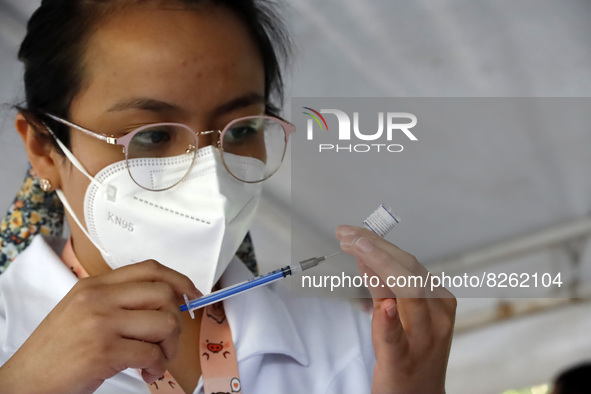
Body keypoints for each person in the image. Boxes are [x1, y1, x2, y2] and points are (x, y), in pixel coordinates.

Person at [0, 0, 456, 393]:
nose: (210, 178)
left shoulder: (361, 351)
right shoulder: (12, 351)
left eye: (242, 130)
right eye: (153, 136)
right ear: (43, 148)